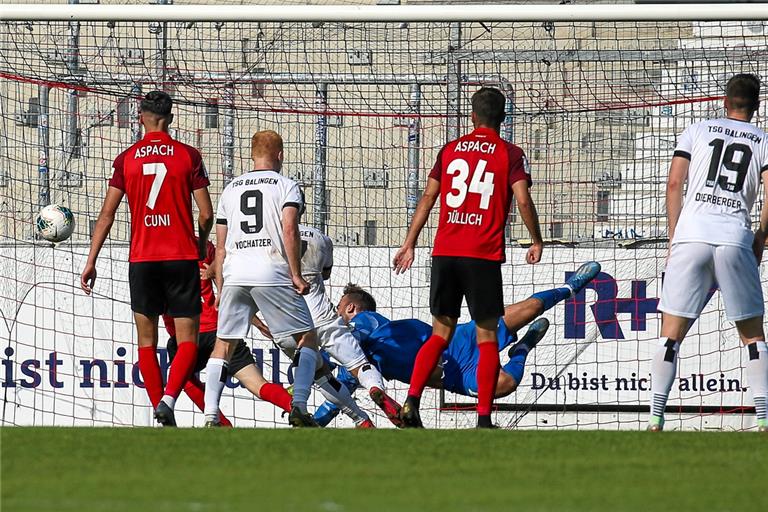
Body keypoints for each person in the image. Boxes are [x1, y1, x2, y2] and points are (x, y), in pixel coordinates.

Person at [392, 87, 544, 428]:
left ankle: (411, 402)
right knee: (486, 335)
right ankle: (484, 418)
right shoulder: (510, 153)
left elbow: (429, 197)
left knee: (439, 333)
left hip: (445, 253)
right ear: (503, 119)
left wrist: (409, 242)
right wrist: (536, 239)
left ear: (472, 117)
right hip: (482, 255)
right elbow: (522, 200)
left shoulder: (450, 150)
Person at [313, 261, 600, 426]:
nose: (337, 315)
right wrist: (312, 423)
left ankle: (570, 287)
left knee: (528, 309)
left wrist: (322, 344)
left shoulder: (364, 322)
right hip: (455, 374)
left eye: (339, 309)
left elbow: (354, 338)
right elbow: (339, 396)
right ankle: (522, 349)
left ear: (351, 308)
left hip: (457, 340)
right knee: (506, 384)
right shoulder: (361, 366)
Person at [81, 91, 213, 427]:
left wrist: (91, 260)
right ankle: (168, 399)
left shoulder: (126, 159)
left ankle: (160, 410)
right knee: (187, 340)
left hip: (143, 259)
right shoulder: (188, 156)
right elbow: (206, 213)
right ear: (170, 118)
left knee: (146, 340)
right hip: (181, 255)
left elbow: (106, 215)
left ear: (141, 117)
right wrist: (201, 244)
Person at [651, 73, 768, 432]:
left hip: (692, 235)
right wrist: (760, 237)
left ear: (724, 101)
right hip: (734, 236)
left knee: (671, 333)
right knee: (752, 336)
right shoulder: (763, 140)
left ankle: (656, 417)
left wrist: (675, 238)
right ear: (757, 105)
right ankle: (764, 419)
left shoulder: (698, 130)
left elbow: (675, 183)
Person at [203, 130, 320, 427]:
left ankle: (210, 415)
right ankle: (300, 405)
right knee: (307, 339)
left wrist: (220, 286)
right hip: (270, 270)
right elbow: (289, 229)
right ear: (280, 155)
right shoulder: (286, 186)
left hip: (235, 273)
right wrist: (295, 273)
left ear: (251, 155)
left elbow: (220, 244)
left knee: (223, 345)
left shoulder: (230, 189)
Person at [269, 203, 403, 427]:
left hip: (289, 317)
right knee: (359, 364)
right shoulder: (321, 238)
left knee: (321, 376)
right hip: (322, 314)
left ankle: (351, 417)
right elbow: (326, 273)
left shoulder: (272, 236)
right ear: (301, 208)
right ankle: (375, 389)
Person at [162, 239, 295, 426]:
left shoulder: (157, 255)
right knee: (257, 384)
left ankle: (222, 424)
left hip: (187, 335)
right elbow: (224, 278)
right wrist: (254, 321)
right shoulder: (202, 245)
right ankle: (295, 408)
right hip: (221, 331)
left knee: (183, 378)